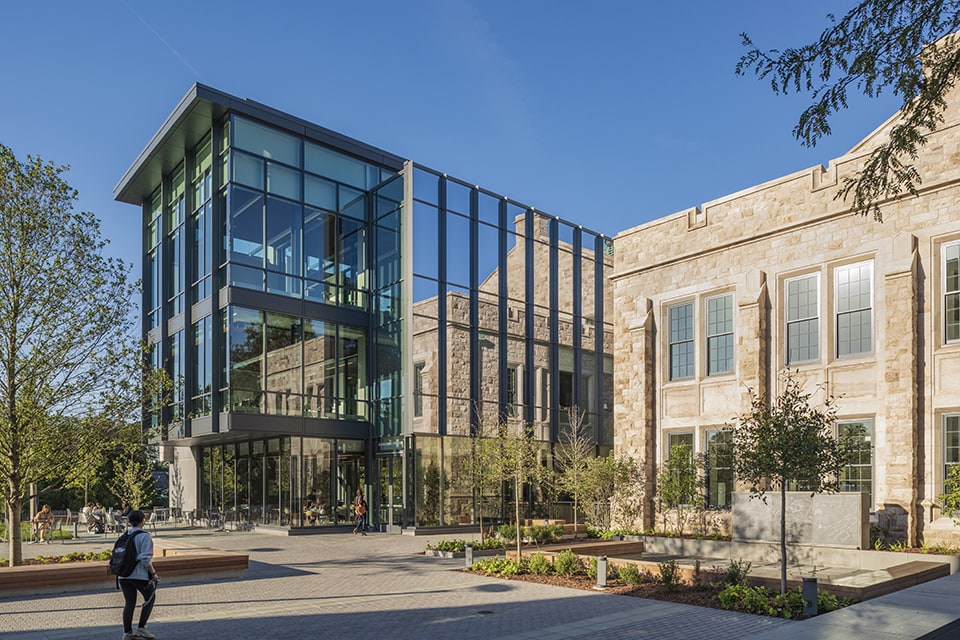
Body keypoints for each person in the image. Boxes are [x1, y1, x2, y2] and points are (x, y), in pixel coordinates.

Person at [118, 510, 159, 640]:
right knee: (150, 599)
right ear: (143, 521)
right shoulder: (144, 536)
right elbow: (145, 559)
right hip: (139, 575)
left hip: (123, 575)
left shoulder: (124, 535)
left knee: (129, 603)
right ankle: (141, 627)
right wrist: (153, 574)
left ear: (129, 522)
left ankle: (127, 633)